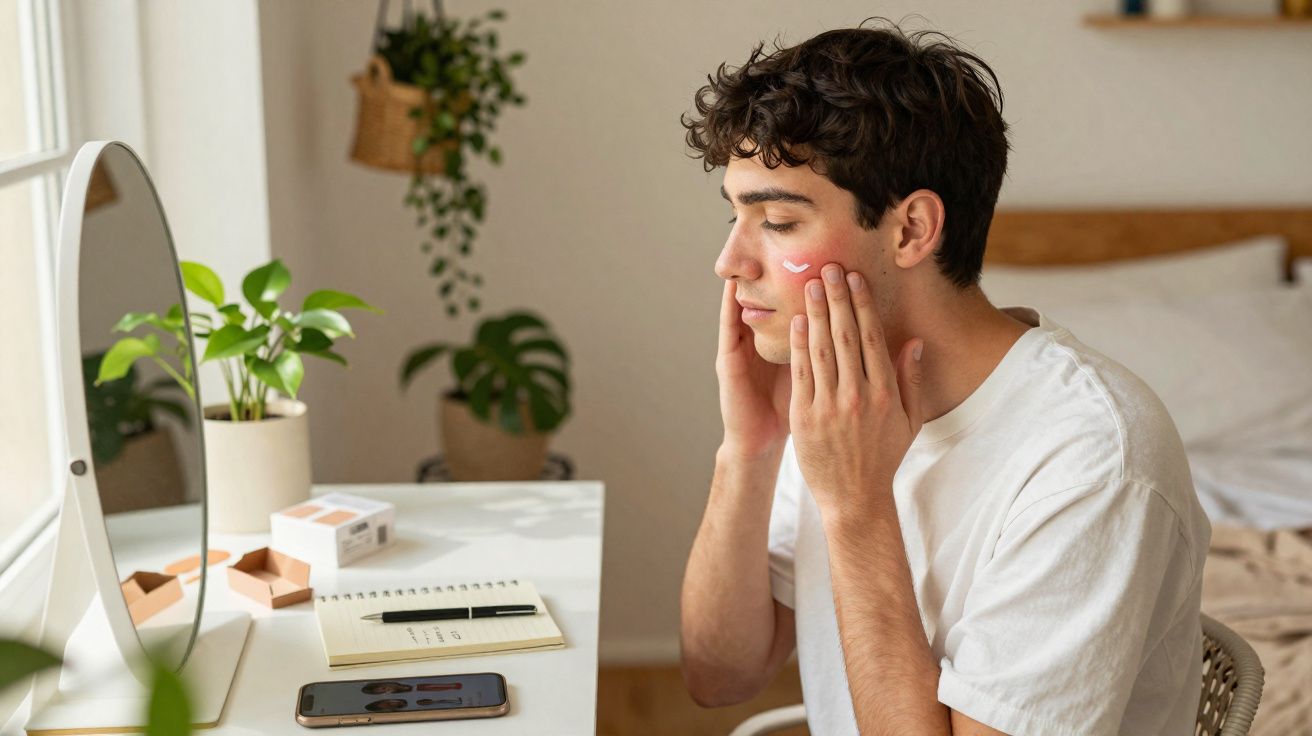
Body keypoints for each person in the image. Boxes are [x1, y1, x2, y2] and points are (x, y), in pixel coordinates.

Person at [678, 20, 1211, 736]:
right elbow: (720, 675)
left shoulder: (1094, 460)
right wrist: (750, 447)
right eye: (737, 216)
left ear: (910, 231)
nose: (731, 262)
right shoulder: (841, 398)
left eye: (777, 220)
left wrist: (859, 505)